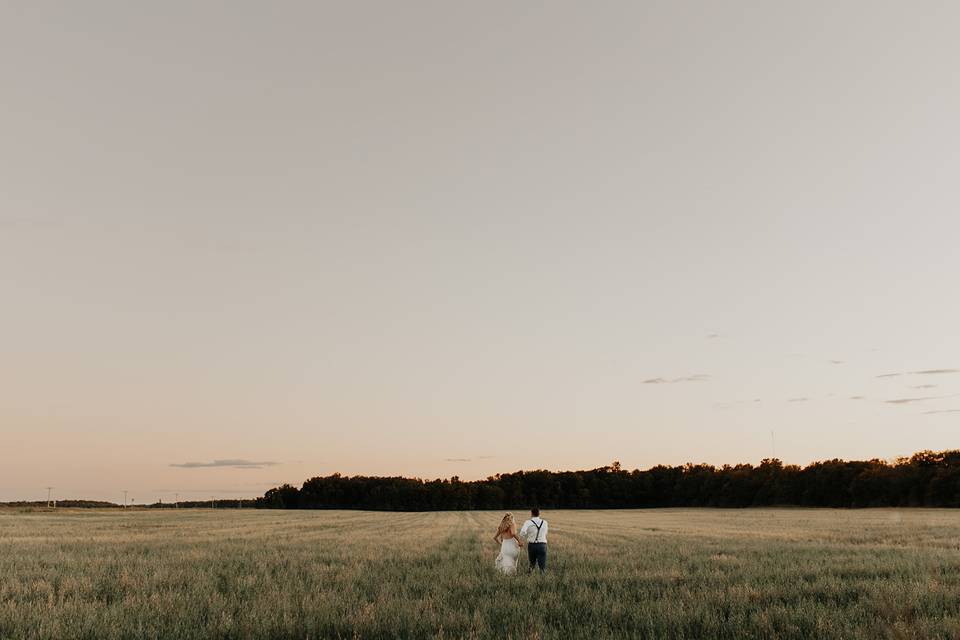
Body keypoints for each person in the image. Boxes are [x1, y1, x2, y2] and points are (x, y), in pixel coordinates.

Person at [519, 508, 548, 573]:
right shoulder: (545, 522)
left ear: (531, 513)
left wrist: (521, 541)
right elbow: (545, 533)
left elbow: (522, 532)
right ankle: (543, 580)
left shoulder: (528, 522)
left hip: (532, 545)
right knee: (542, 567)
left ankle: (529, 579)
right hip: (542, 545)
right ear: (539, 514)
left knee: (532, 565)